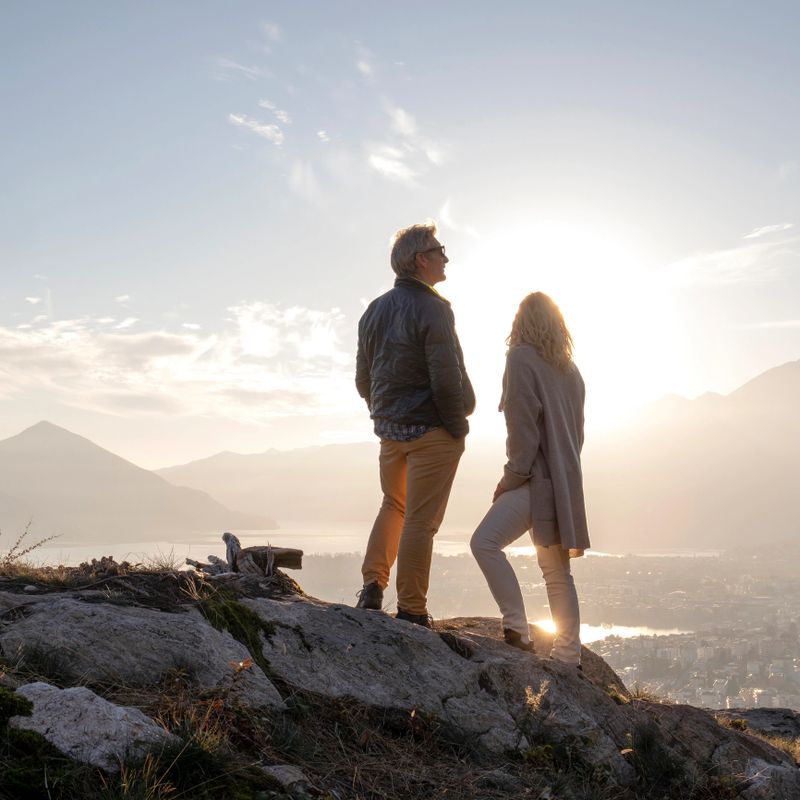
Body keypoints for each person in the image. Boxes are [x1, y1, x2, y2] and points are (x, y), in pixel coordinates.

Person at [355, 222, 475, 627]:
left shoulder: (374, 310)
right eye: (440, 250)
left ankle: (373, 585)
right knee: (421, 522)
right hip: (432, 431)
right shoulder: (435, 308)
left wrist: (384, 413)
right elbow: (446, 375)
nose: (446, 257)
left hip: (390, 433)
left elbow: (363, 378)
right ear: (420, 259)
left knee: (393, 505)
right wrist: (457, 427)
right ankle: (412, 610)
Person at [470, 292, 589, 665]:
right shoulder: (571, 371)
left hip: (535, 478)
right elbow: (577, 433)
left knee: (485, 543)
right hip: (564, 482)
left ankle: (517, 629)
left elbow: (522, 428)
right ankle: (568, 655)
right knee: (556, 571)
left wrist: (513, 476)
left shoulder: (520, 358)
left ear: (520, 323)